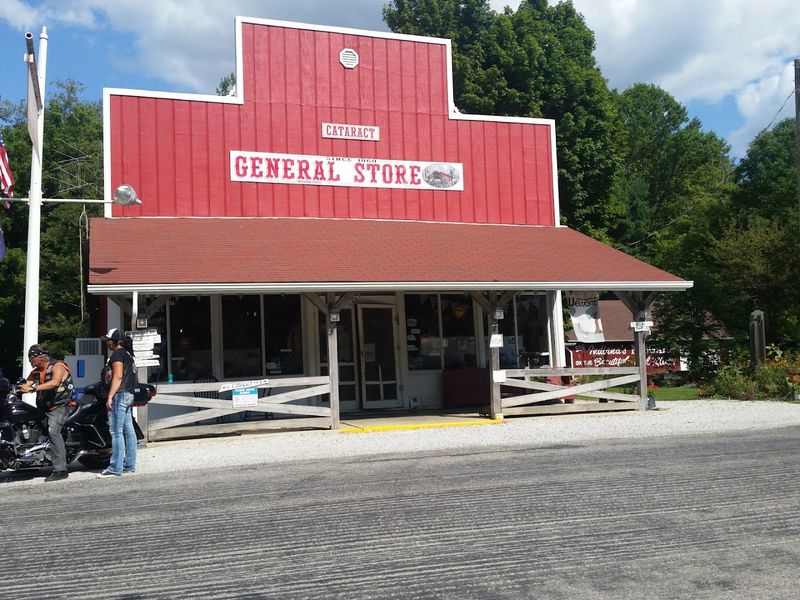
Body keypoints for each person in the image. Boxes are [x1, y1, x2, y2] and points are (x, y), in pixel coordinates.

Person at [19, 345, 77, 482]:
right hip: (45, 408)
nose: (29, 360)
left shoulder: (58, 366)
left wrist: (33, 388)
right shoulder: (36, 372)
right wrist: (17, 388)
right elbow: (26, 384)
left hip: (62, 406)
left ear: (41, 357)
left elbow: (55, 382)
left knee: (53, 431)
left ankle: (61, 470)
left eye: (31, 357)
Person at [97, 328, 138, 478]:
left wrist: (110, 397)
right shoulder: (128, 355)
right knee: (129, 429)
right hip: (129, 394)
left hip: (120, 395)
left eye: (108, 340)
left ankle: (115, 467)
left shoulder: (117, 355)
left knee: (116, 431)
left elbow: (118, 377)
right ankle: (130, 465)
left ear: (116, 341)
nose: (107, 342)